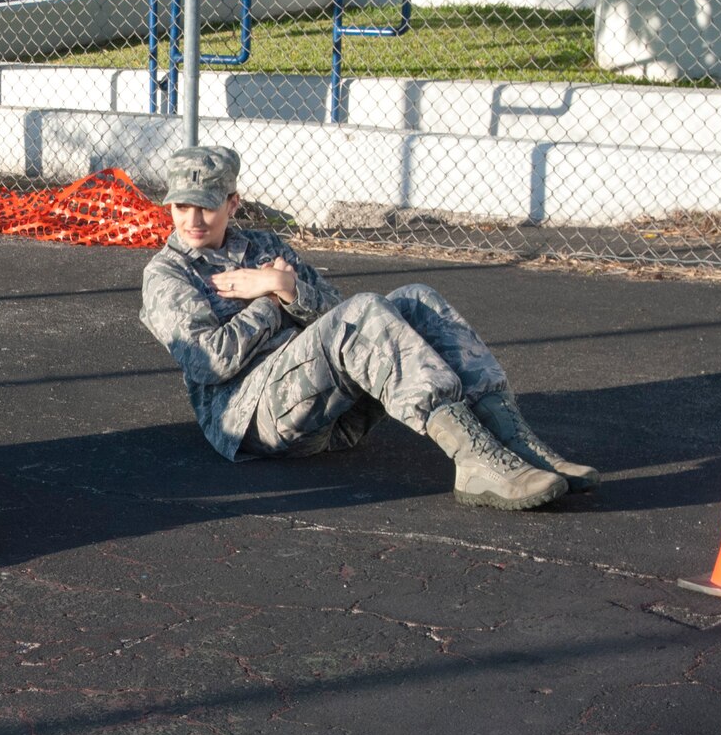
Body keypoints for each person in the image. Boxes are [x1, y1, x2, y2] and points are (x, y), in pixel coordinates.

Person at [138, 146, 598, 510]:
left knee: (415, 300)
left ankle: (514, 441)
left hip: (324, 410)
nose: (192, 220)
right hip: (249, 419)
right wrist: (268, 298)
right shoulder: (168, 274)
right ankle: (474, 460)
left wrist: (287, 286)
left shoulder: (263, 244)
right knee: (365, 314)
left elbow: (339, 310)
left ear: (232, 202)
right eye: (181, 206)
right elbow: (210, 362)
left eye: (206, 207)